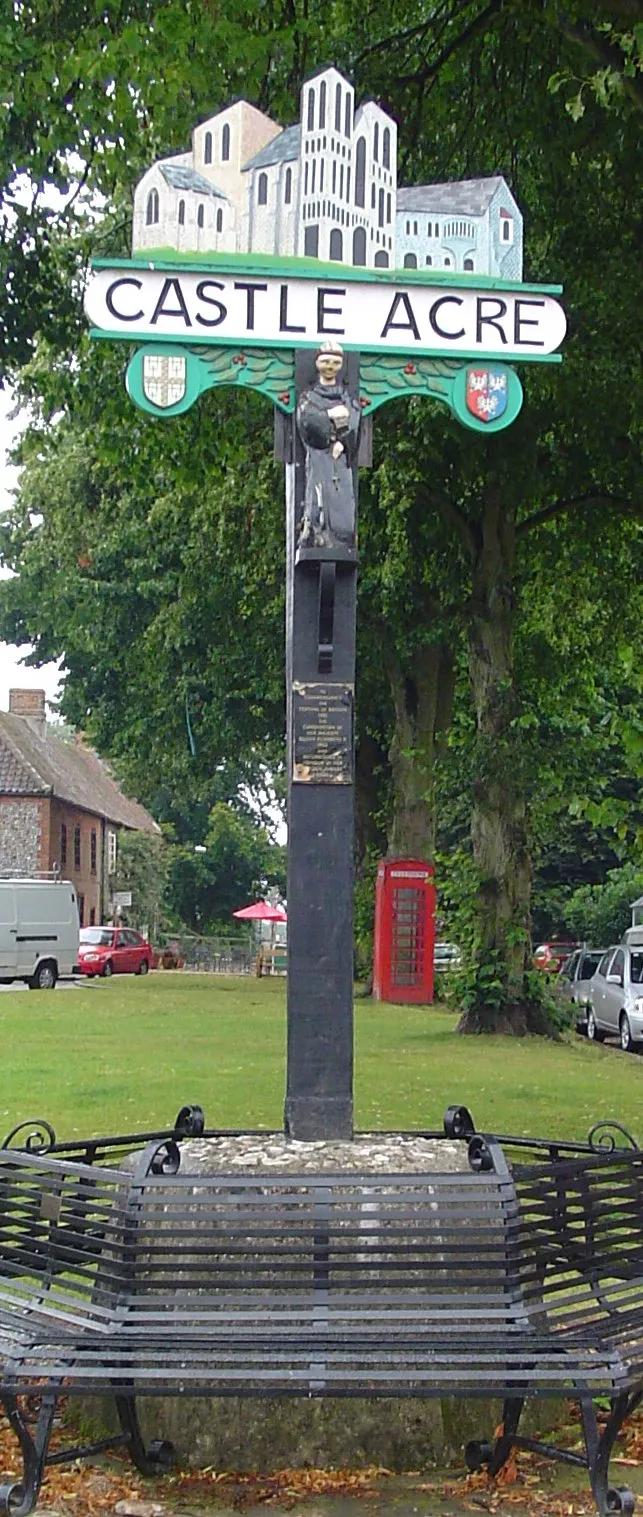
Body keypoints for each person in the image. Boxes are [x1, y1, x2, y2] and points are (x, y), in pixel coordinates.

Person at [296, 341, 361, 550]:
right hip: (317, 456)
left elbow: (352, 420)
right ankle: (314, 531)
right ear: (317, 363)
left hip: (340, 459)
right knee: (317, 492)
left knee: (341, 493)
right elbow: (306, 419)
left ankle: (343, 536)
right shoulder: (310, 396)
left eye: (335, 362)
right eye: (326, 361)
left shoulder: (346, 397)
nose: (330, 366)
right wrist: (330, 416)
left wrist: (341, 442)